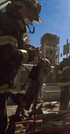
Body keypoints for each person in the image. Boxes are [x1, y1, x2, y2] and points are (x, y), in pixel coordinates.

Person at [0, 0, 41, 133]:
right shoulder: (8, 23)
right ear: (21, 6)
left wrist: (24, 48)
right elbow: (7, 54)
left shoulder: (8, 22)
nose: (29, 20)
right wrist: (29, 54)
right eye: (30, 16)